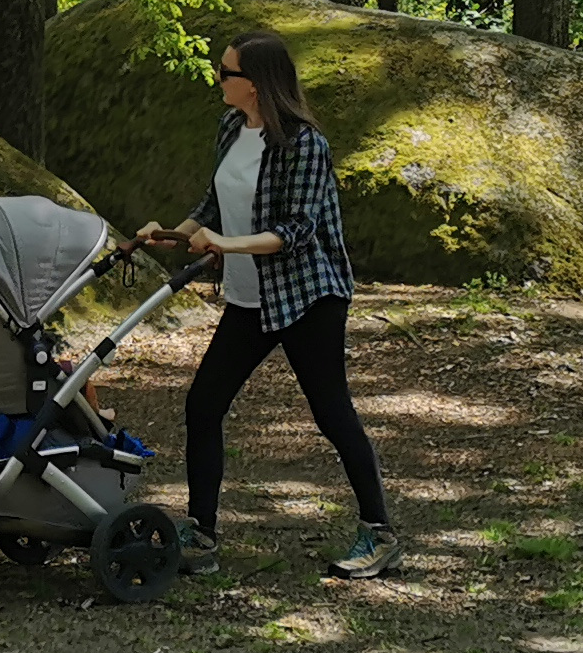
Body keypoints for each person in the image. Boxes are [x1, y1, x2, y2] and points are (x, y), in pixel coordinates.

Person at [133, 29, 398, 579]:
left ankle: (379, 533)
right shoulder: (232, 125)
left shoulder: (304, 144)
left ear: (253, 84)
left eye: (226, 72)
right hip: (251, 298)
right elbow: (215, 200)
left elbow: (298, 230)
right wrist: (175, 234)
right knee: (203, 404)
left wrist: (224, 245)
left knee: (331, 413)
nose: (218, 78)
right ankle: (201, 535)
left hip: (308, 296)